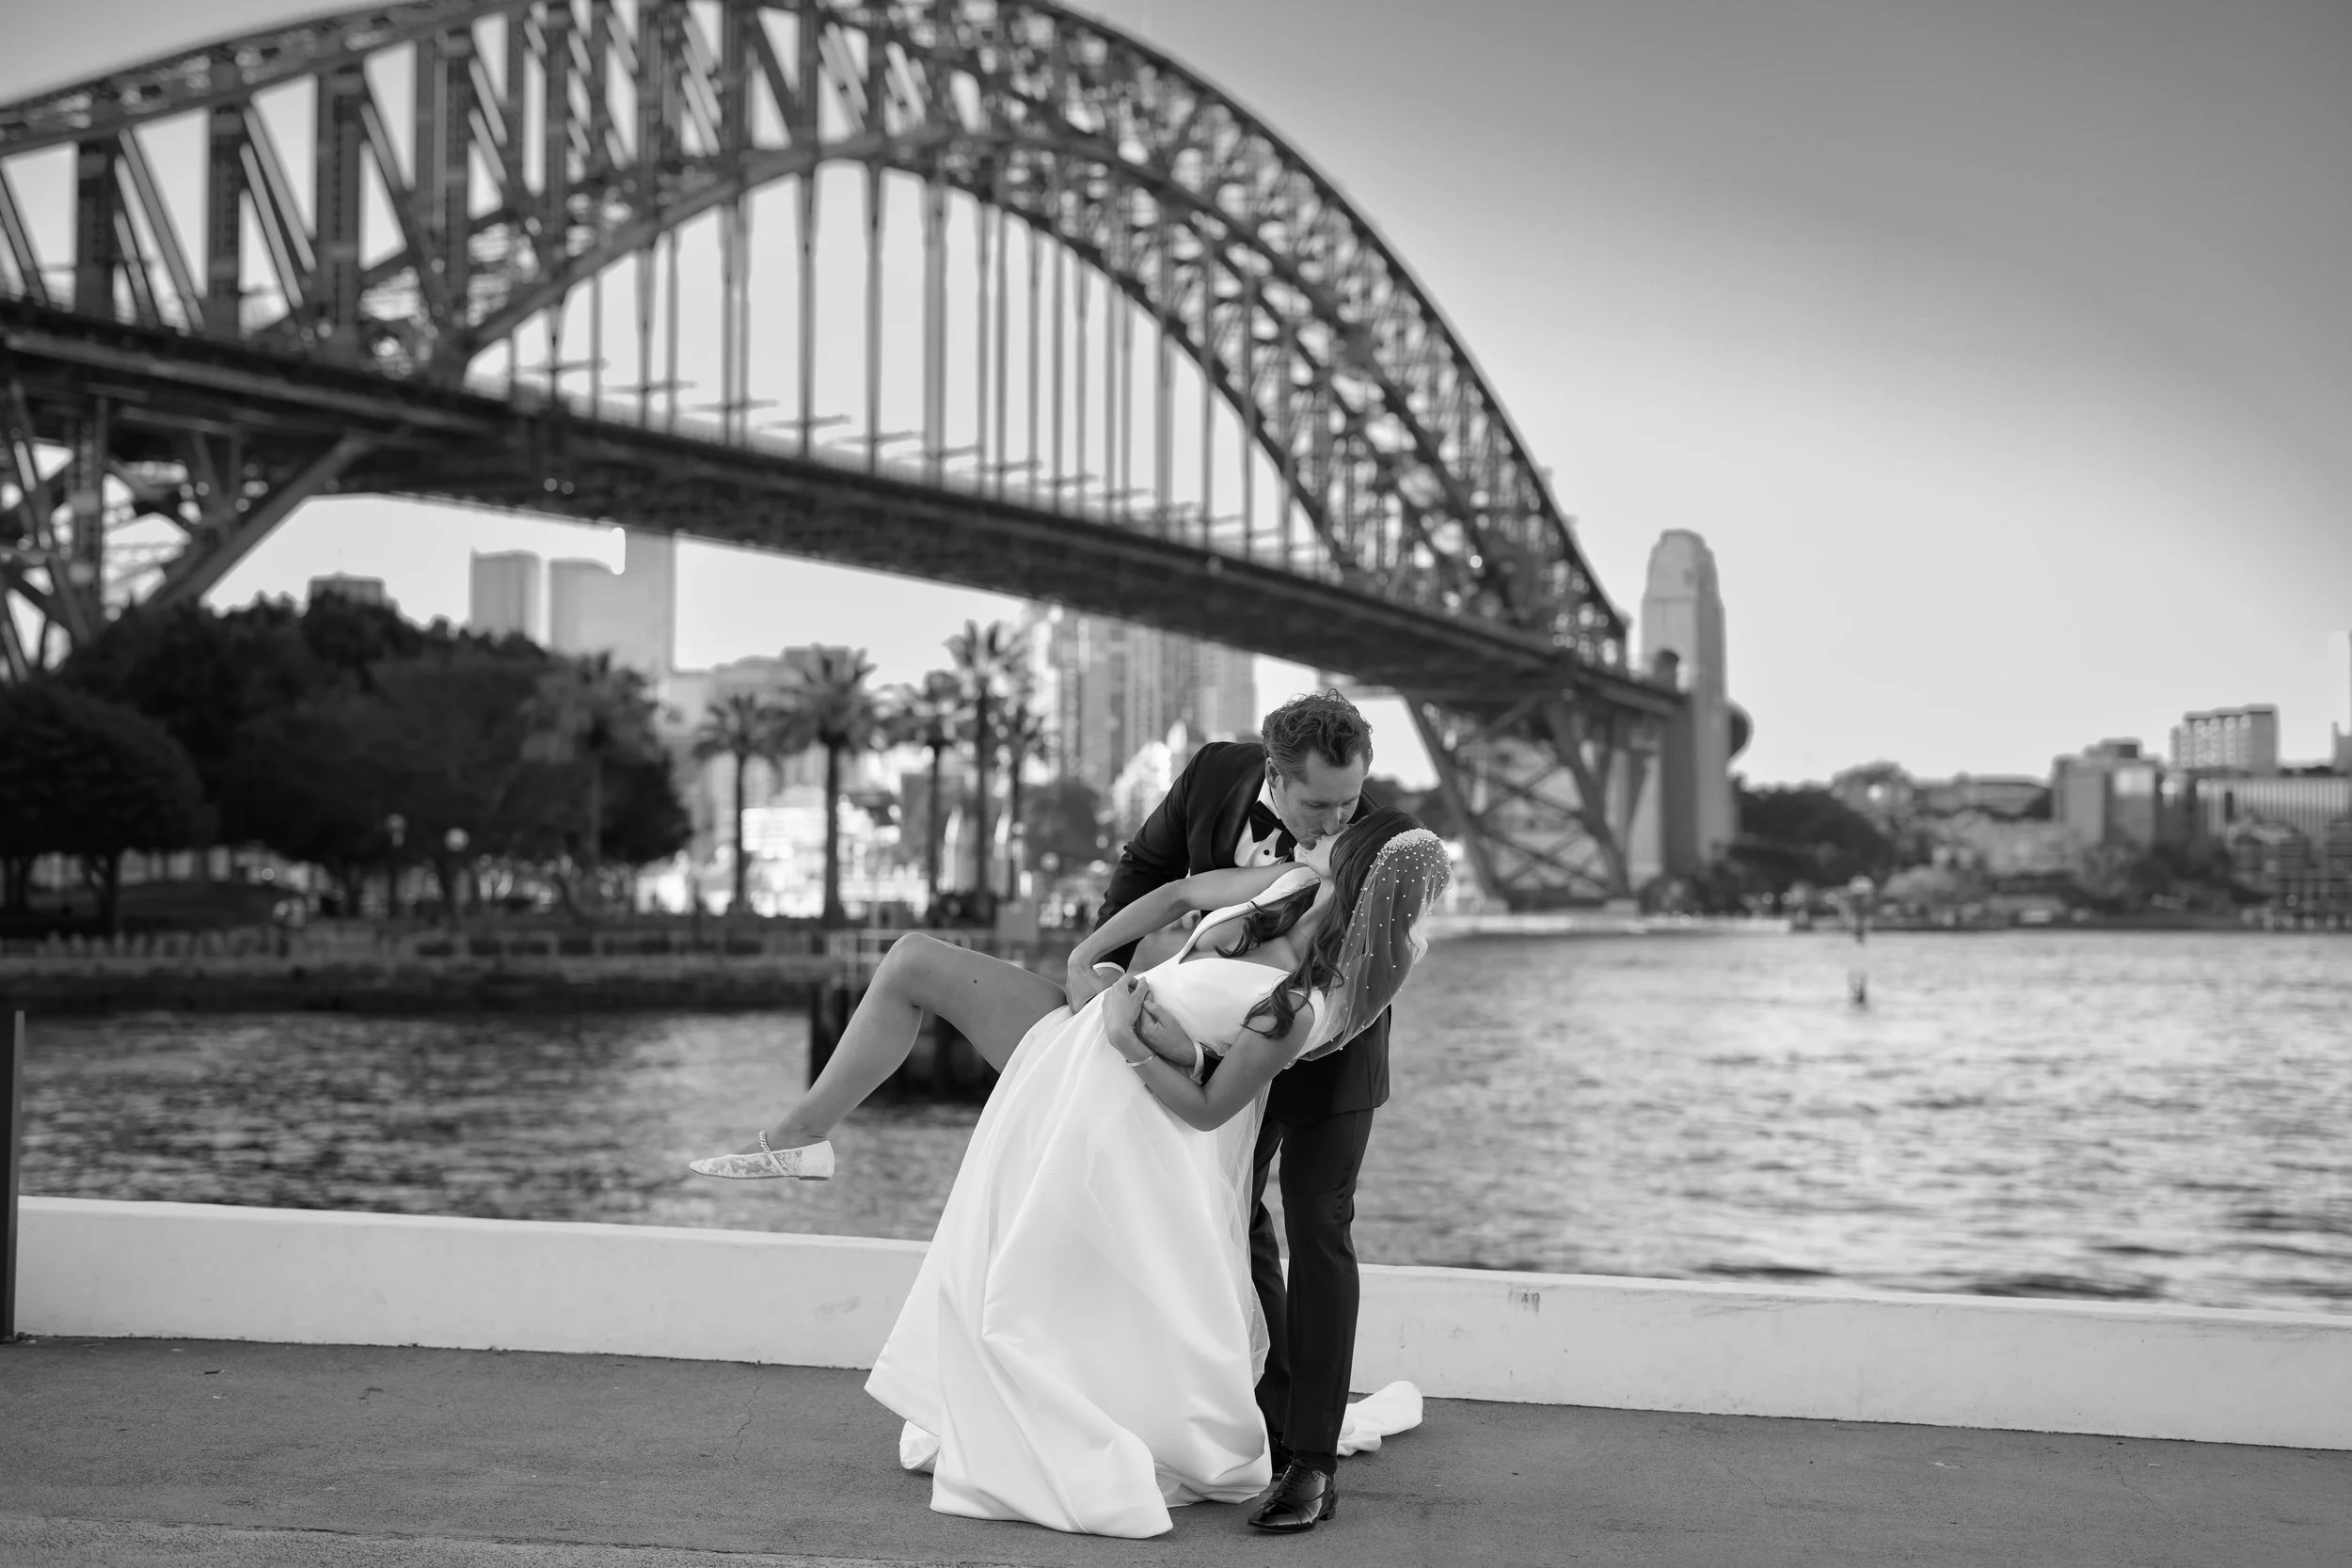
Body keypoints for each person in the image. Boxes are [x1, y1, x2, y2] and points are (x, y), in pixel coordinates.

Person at [689, 806, 1447, 1538]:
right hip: (1091, 1038)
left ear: (1358, 867)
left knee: (1040, 1272)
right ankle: (801, 1135)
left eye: (1342, 831)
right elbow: (1180, 892)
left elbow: (1213, 1108)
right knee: (914, 958)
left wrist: (1138, 1041)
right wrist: (1087, 958)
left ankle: (1060, 1415)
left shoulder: (1307, 1006)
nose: (1325, 831)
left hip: (1134, 1099)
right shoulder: (1287, 886)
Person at [1091, 689, 1389, 1532]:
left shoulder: (1387, 838)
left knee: (1318, 1222)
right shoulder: (1211, 776)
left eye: (1350, 799)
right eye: (1318, 802)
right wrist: (1101, 968)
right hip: (1219, 1038)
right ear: (1271, 774)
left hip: (1330, 1040)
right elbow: (1149, 873)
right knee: (1228, 1218)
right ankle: (1262, 1406)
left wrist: (1302, 1024)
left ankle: (1313, 1463)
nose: (1338, 819)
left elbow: (1385, 961)